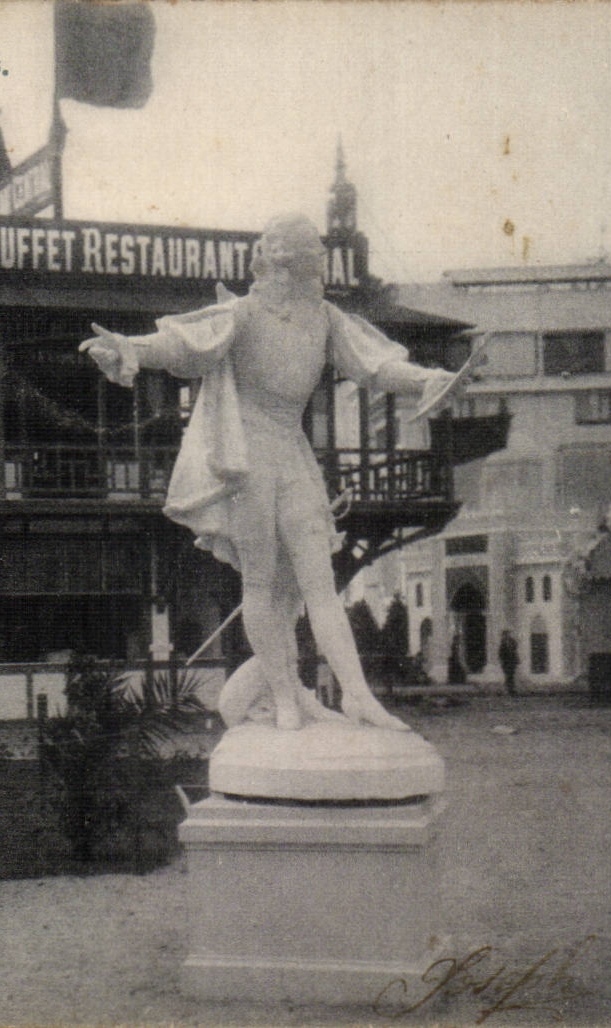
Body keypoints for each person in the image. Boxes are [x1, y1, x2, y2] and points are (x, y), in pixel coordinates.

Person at [81, 212, 460, 732]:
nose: (316, 271)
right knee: (260, 585)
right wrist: (129, 348)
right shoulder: (243, 315)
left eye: (316, 262)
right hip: (247, 459)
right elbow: (183, 346)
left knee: (317, 583)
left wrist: (430, 379)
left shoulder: (324, 319)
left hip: (292, 451)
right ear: (283, 262)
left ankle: (356, 695)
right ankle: (285, 697)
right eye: (310, 260)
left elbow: (374, 367)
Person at [498, 630, 520, 695]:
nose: (506, 636)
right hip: (506, 662)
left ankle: (511, 689)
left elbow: (516, 646)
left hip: (512, 661)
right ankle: (509, 689)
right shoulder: (502, 643)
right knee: (508, 676)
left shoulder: (512, 641)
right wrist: (502, 661)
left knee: (511, 675)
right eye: (505, 635)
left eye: (507, 634)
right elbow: (500, 653)